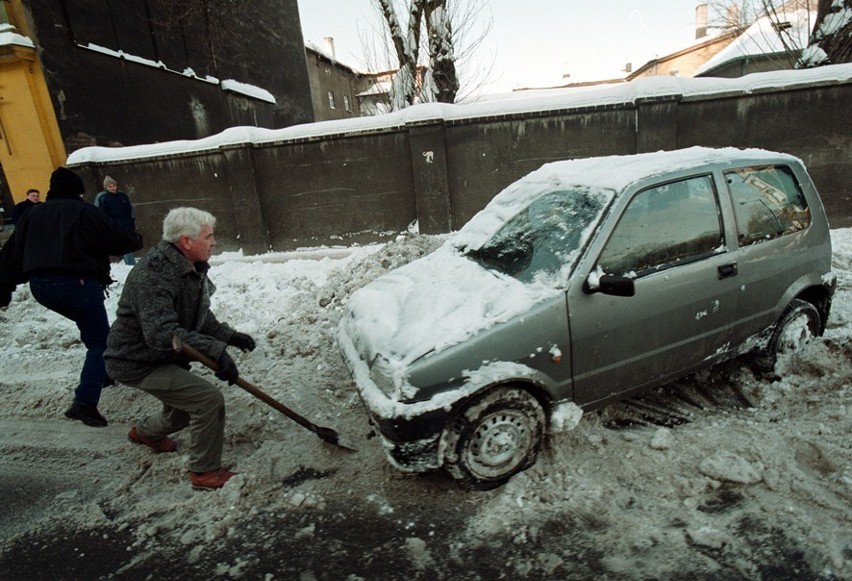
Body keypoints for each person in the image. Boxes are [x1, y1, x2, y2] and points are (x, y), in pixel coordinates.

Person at [104, 207, 256, 490]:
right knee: (206, 399)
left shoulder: (188, 267)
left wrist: (229, 336)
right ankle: (204, 472)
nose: (214, 242)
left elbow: (196, 315)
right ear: (186, 241)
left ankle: (145, 433)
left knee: (183, 410)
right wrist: (215, 351)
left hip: (160, 354)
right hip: (136, 360)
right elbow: (161, 332)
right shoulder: (154, 273)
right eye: (209, 236)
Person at [0, 167, 143, 426]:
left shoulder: (33, 215)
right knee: (100, 341)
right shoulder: (83, 211)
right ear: (78, 191)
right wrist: (134, 238)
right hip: (75, 284)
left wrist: (4, 286)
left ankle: (104, 373)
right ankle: (85, 403)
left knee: (92, 330)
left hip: (41, 287)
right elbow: (116, 239)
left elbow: (11, 254)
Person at [95, 176, 137, 265]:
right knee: (125, 245)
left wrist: (131, 221)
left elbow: (129, 209)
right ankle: (130, 264)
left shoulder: (122, 196)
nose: (113, 188)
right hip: (116, 226)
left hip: (126, 224)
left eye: (113, 186)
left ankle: (130, 263)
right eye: (110, 186)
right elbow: (102, 213)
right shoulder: (104, 198)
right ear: (106, 187)